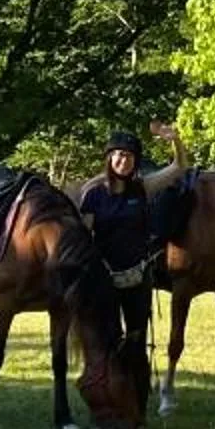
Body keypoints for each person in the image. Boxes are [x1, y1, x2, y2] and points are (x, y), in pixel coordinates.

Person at [77, 120, 192, 378]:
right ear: (109, 157)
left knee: (136, 339)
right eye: (119, 154)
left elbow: (180, 167)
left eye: (129, 156)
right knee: (110, 338)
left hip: (138, 278)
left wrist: (175, 140)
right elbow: (85, 240)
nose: (124, 160)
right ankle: (111, 389)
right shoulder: (94, 195)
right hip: (106, 278)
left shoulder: (142, 188)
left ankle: (137, 392)